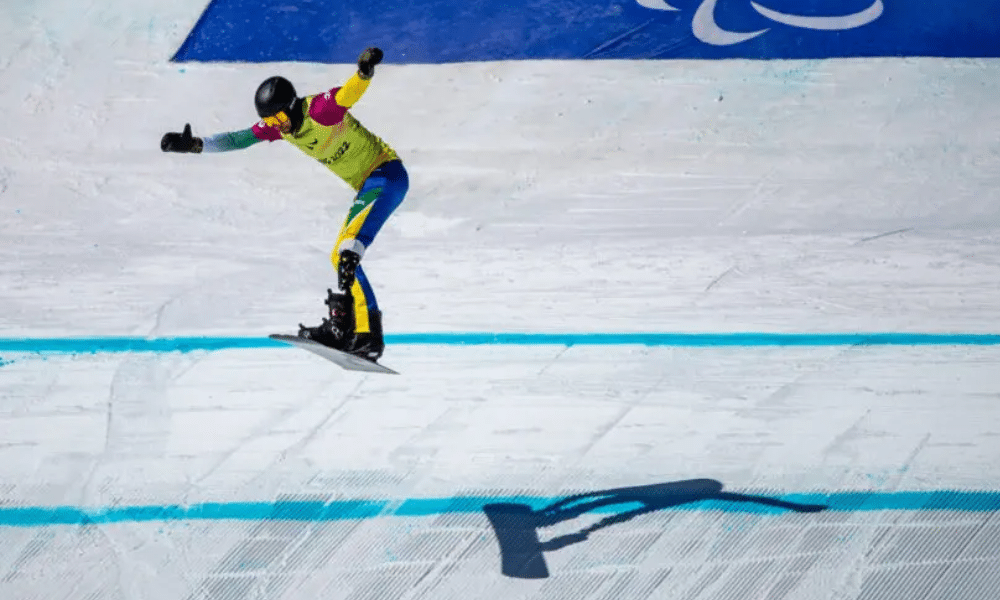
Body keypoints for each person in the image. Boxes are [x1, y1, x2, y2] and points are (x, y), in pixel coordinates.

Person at [160, 47, 405, 363]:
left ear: (291, 107)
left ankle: (366, 335)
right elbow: (240, 138)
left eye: (278, 117)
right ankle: (354, 329)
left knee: (348, 252)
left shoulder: (319, 111)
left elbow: (348, 94)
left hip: (385, 175)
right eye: (269, 120)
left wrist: (364, 71)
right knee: (340, 255)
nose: (276, 125)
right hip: (370, 184)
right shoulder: (279, 127)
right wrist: (196, 145)